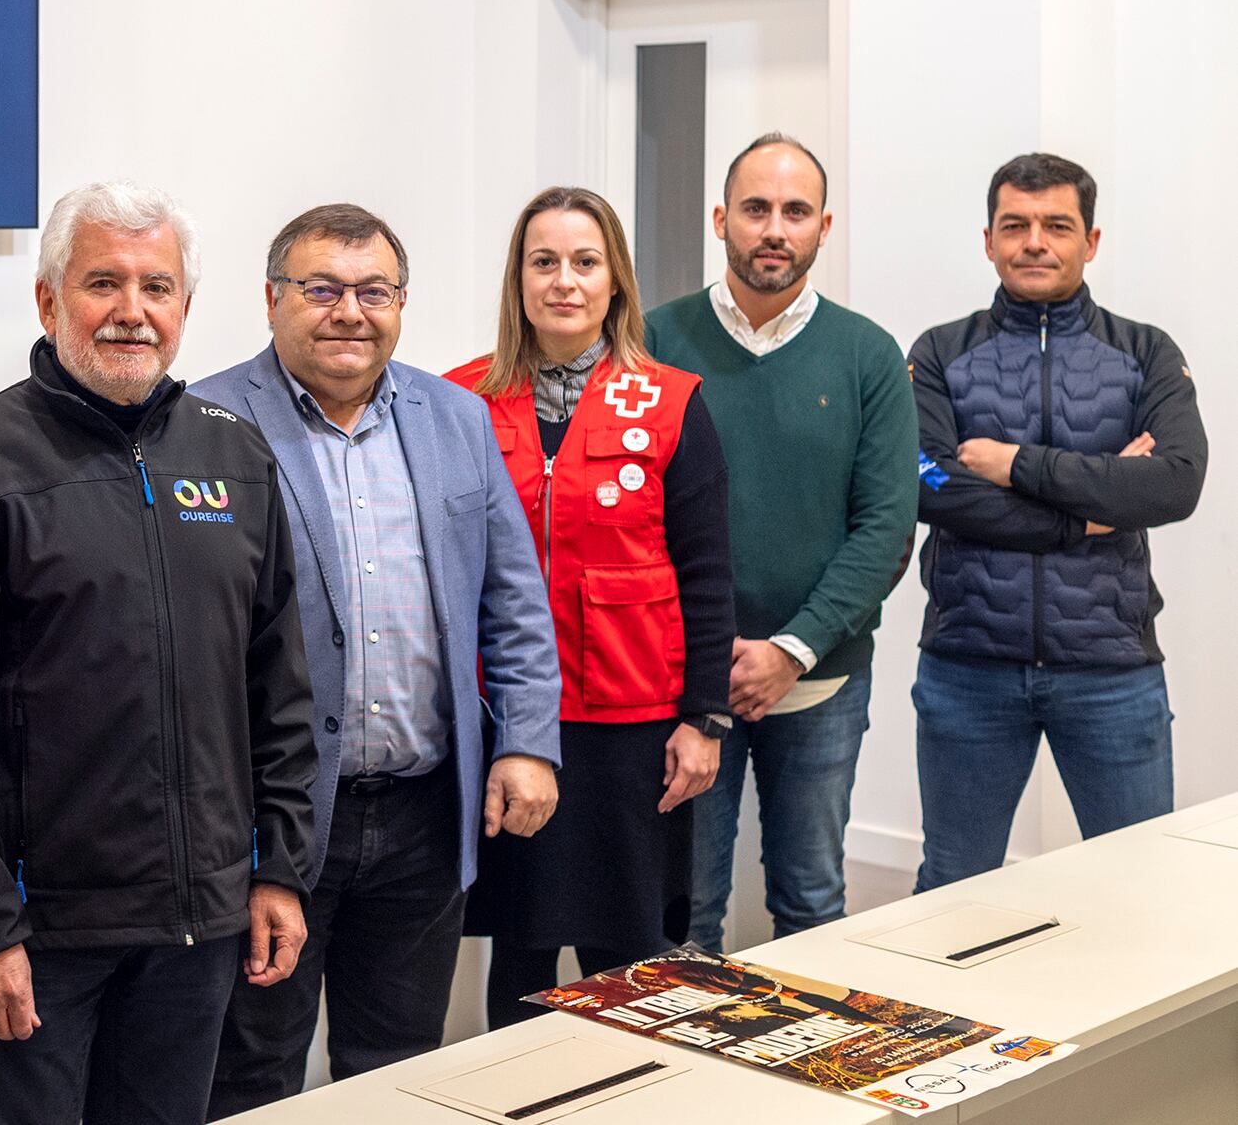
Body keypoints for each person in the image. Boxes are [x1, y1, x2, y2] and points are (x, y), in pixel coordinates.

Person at [0, 180, 318, 1125]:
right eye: (103, 282)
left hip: (202, 926)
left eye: (157, 286)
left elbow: (281, 691)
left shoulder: (235, 456)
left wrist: (278, 870)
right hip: (41, 933)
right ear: (50, 300)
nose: (132, 311)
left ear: (185, 307)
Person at [194, 204, 563, 1115]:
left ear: (402, 303)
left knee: (399, 1068)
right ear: (272, 299)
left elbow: (513, 597)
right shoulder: (203, 423)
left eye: (373, 291)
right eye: (320, 289)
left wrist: (525, 738)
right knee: (252, 1074)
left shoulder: (457, 418)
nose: (348, 311)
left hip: (422, 816)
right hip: (269, 825)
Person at [445, 186, 735, 1029]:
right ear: (519, 279)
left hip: (634, 724)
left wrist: (703, 719)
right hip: (512, 721)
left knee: (631, 954)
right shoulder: (458, 402)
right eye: (544, 261)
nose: (564, 281)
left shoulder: (675, 402)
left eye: (585, 261)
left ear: (616, 282)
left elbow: (709, 573)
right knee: (524, 950)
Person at [644, 135, 917, 952]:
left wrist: (791, 648)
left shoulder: (867, 353)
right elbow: (634, 518)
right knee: (684, 910)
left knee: (811, 900)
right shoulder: (655, 341)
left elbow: (886, 524)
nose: (774, 228)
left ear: (823, 226)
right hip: (689, 685)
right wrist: (707, 659)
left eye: (795, 211)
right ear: (721, 218)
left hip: (820, 679)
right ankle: (684, 1079)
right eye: (756, 208)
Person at [908, 153, 1207, 890]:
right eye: (1015, 225)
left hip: (1111, 669)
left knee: (1139, 887)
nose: (1034, 241)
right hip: (968, 665)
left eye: (1056, 225)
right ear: (988, 240)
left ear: (1091, 240)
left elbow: (1173, 482)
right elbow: (931, 485)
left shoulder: (1146, 351)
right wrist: (1087, 514)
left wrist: (1014, 464)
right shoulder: (941, 352)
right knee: (952, 888)